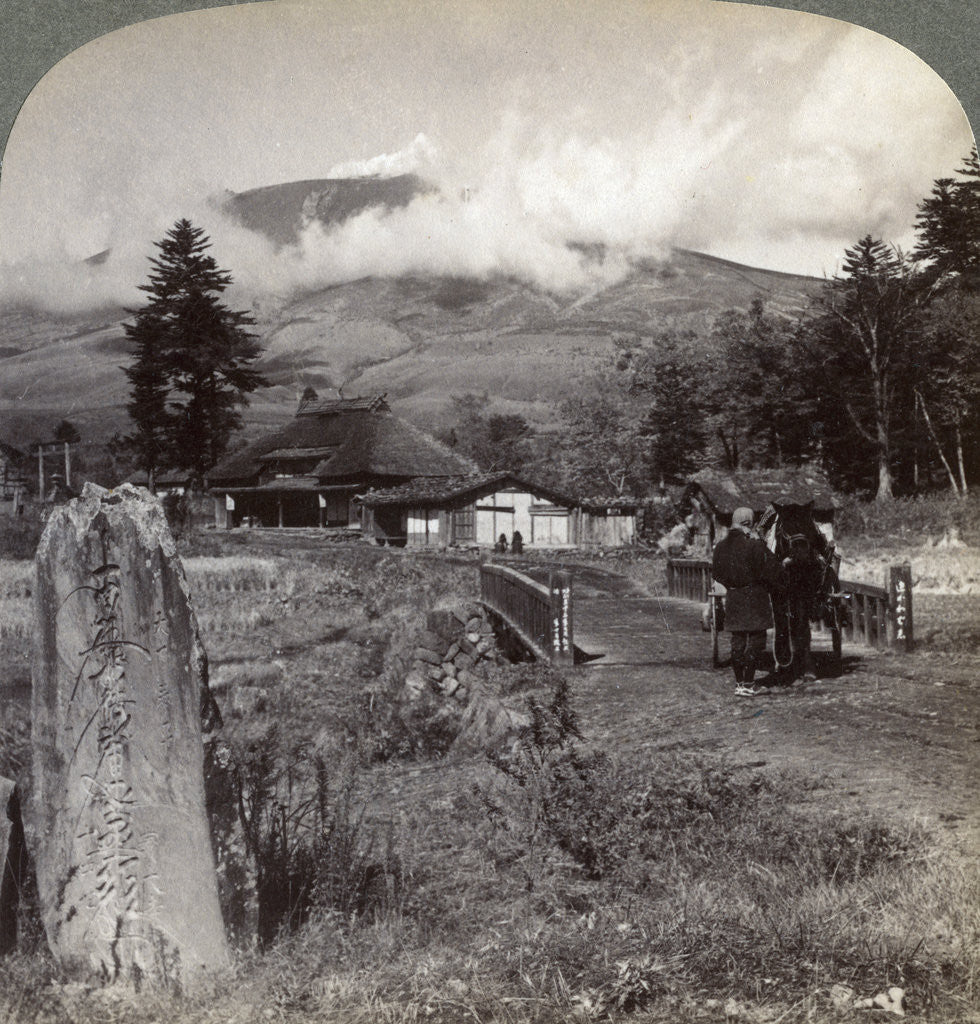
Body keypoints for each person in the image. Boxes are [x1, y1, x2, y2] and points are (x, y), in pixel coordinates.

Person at [711, 506, 783, 696]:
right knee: (756, 640)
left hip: (733, 597)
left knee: (738, 639)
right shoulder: (755, 545)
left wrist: (732, 585)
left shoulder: (720, 546)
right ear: (748, 523)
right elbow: (773, 572)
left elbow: (716, 573)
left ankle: (740, 683)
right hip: (755, 596)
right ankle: (750, 684)